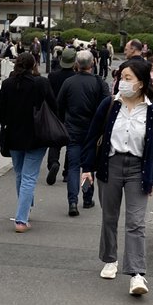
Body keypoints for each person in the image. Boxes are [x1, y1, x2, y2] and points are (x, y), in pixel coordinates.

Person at [80, 58, 153, 297]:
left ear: (141, 83)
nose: (122, 82)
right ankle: (110, 259)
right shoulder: (109, 105)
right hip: (111, 164)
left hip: (139, 169)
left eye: (128, 78)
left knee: (136, 222)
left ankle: (137, 274)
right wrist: (87, 167)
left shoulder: (152, 111)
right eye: (120, 77)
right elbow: (92, 136)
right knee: (110, 216)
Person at [0, 51, 58, 232]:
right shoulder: (41, 83)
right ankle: (21, 219)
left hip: (14, 135)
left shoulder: (7, 84)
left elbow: (0, 112)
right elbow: (54, 107)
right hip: (37, 135)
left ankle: (25, 209)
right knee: (29, 176)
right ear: (34, 65)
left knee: (21, 174)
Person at [57, 49, 109, 215]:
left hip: (73, 129)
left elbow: (59, 106)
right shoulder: (98, 82)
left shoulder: (69, 83)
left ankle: (72, 201)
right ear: (92, 63)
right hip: (92, 131)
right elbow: (107, 106)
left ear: (76, 65)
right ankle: (87, 198)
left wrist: (65, 120)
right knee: (88, 166)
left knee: (73, 166)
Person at [46, 47, 77, 184]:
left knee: (55, 142)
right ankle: (67, 172)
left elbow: (48, 95)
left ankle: (53, 162)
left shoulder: (53, 76)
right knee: (70, 144)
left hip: (55, 113)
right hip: (71, 114)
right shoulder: (75, 78)